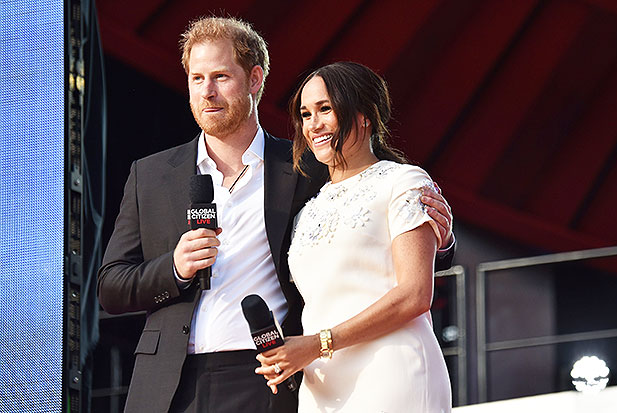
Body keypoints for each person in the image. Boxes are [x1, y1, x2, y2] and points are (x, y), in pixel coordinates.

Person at [98, 17, 455, 413]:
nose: (208, 92)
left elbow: (376, 220)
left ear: (255, 79)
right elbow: (111, 286)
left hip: (271, 377)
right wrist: (176, 268)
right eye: (196, 78)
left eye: (220, 76)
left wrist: (442, 238)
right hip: (169, 383)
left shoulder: (311, 167)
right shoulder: (149, 176)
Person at [255, 62, 452, 412]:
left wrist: (318, 344)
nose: (313, 124)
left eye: (325, 109)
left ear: (365, 115)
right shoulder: (307, 208)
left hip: (391, 373)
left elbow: (415, 295)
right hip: (321, 385)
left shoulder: (403, 182)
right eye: (305, 113)